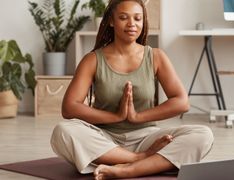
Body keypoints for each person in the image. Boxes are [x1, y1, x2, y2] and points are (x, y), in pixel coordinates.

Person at [50, 0, 214, 179]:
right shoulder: (92, 60)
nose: (132, 24)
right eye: (123, 18)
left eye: (138, 18)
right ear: (111, 21)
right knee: (63, 131)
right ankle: (141, 160)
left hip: (147, 137)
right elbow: (69, 107)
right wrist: (116, 117)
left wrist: (137, 117)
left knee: (203, 134)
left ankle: (125, 170)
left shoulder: (156, 57)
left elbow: (181, 102)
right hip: (104, 139)